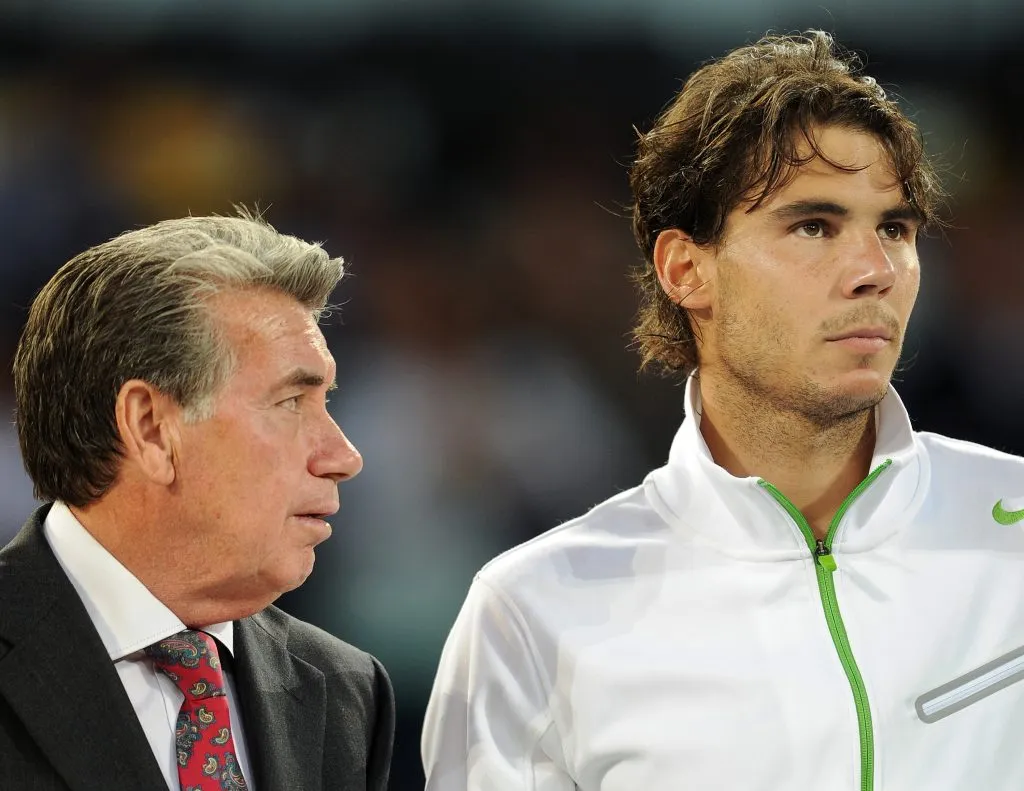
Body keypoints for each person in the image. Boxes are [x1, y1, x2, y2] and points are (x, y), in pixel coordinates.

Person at [421, 30, 1024, 790]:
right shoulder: (533, 611)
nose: (874, 271)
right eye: (814, 226)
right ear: (686, 269)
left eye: (894, 229)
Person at [0, 210, 394, 790]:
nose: (343, 456)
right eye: (290, 402)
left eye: (326, 403)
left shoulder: (343, 689)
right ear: (152, 429)